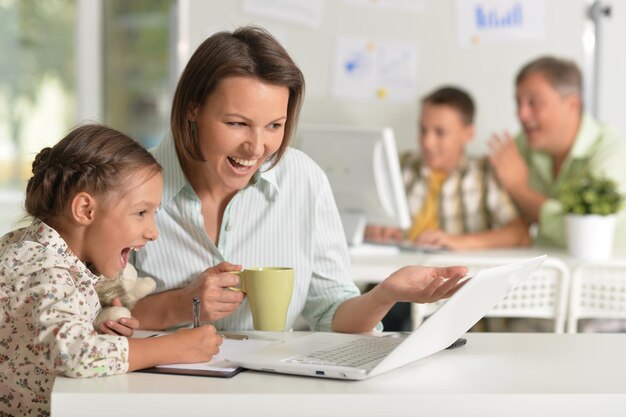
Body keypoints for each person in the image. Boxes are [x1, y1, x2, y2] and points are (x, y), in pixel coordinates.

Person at [129, 26, 468, 334]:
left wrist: (386, 293)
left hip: (270, 391)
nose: (257, 146)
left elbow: (332, 313)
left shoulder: (303, 181)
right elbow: (85, 320)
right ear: (193, 109)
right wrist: (181, 303)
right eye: (236, 123)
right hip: (159, 394)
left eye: (274, 125)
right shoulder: (127, 186)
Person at [0, 124, 223, 417]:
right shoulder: (43, 267)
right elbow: (73, 354)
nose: (153, 232)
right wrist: (173, 348)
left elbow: (42, 339)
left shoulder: (41, 254)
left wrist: (94, 327)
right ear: (85, 210)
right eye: (141, 212)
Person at [365, 86, 530, 250]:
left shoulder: (483, 174)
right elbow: (360, 218)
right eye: (423, 130)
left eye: (440, 132)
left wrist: (457, 242)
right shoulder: (398, 165)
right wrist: (373, 229)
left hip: (452, 271)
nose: (427, 142)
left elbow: (520, 234)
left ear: (468, 134)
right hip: (396, 267)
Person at [489, 56, 626, 247]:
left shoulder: (614, 150)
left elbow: (585, 233)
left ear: (572, 105)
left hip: (605, 274)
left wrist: (520, 189)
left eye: (533, 102)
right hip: (545, 270)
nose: (521, 114)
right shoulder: (522, 145)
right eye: (518, 102)